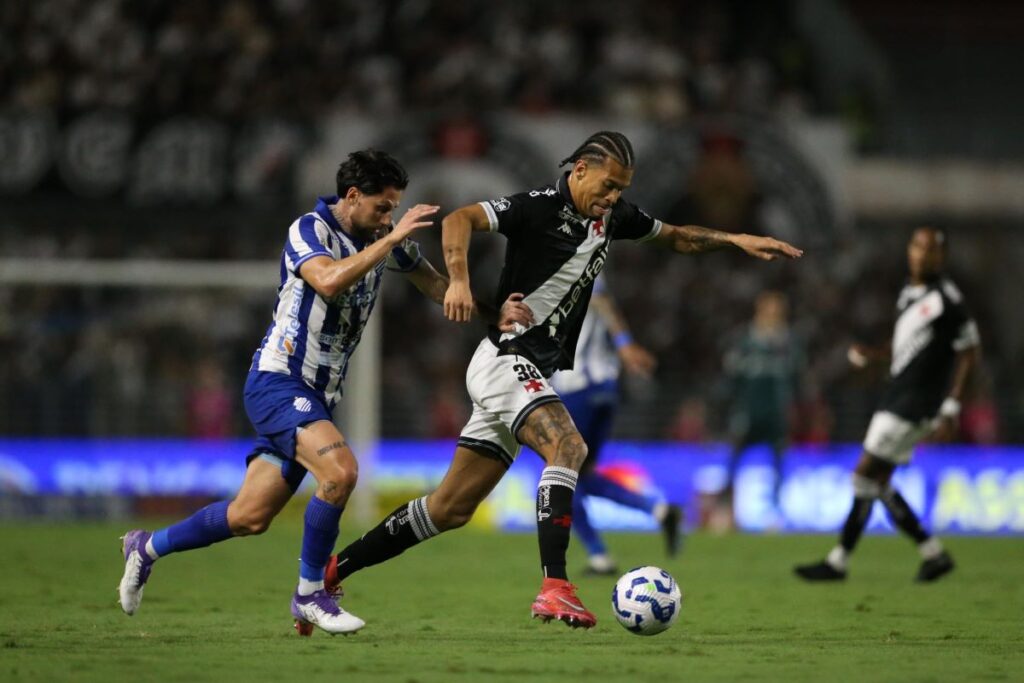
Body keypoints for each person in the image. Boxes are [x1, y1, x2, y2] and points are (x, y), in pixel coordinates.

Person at [324, 131, 802, 629]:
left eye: (622, 189)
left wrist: (736, 240)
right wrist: (460, 281)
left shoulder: (612, 217)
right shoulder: (536, 207)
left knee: (450, 509)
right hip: (506, 358)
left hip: (522, 369)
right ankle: (556, 588)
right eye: (609, 185)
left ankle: (333, 570)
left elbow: (677, 236)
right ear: (579, 171)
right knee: (569, 447)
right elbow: (459, 219)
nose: (614, 197)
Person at [117, 150, 533, 636]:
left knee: (249, 516)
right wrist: (392, 238)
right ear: (352, 196)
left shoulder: (380, 235)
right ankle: (310, 594)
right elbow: (328, 281)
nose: (390, 218)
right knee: (341, 472)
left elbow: (434, 285)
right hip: (278, 381)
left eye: (395, 208)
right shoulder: (309, 230)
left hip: (318, 396)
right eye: (382, 207)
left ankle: (146, 547)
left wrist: (492, 314)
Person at [795, 227, 980, 583]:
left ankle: (839, 561)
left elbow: (970, 352)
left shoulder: (947, 299)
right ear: (910, 250)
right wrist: (874, 355)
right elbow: (906, 346)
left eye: (932, 249)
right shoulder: (910, 292)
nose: (923, 254)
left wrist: (952, 406)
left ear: (942, 257)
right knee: (876, 481)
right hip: (899, 395)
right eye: (918, 246)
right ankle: (932, 553)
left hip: (915, 402)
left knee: (864, 475)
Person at [547, 274, 683, 576]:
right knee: (582, 476)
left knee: (560, 477)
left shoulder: (565, 258)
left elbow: (601, 300)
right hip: (605, 388)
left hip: (577, 388)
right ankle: (657, 509)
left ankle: (599, 556)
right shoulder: (582, 262)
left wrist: (625, 344)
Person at [719, 290, 804, 518]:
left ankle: (775, 511)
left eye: (776, 310)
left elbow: (797, 375)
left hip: (777, 411)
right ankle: (725, 509)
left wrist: (794, 407)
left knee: (778, 461)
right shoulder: (745, 338)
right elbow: (731, 373)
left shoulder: (789, 341)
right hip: (749, 410)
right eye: (769, 309)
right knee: (734, 458)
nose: (772, 314)